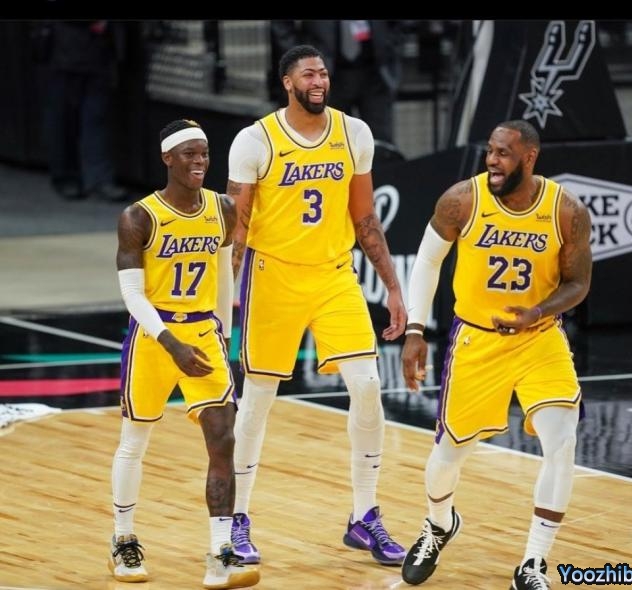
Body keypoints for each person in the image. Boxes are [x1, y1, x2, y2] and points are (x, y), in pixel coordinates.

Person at [226, 44, 408, 567]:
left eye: (324, 73)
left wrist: (393, 287)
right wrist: (223, 298)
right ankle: (236, 517)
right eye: (308, 74)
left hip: (334, 276)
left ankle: (364, 515)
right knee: (258, 400)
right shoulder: (254, 140)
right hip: (273, 277)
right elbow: (237, 226)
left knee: (368, 388)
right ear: (287, 82)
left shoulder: (355, 133)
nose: (319, 81)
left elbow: (365, 219)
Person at [400, 120, 592, 589]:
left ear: (529, 157)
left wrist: (538, 312)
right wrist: (415, 329)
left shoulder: (566, 211)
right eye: (490, 151)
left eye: (503, 153)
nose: (492, 160)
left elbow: (578, 283)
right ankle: (438, 524)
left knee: (562, 443)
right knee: (447, 456)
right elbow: (428, 261)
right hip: (477, 340)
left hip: (539, 338)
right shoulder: (462, 200)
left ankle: (533, 563)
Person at [109, 119, 259, 589]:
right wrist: (169, 341)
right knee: (135, 440)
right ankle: (123, 538)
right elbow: (132, 295)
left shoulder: (223, 208)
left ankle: (220, 553)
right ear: (167, 158)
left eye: (205, 154)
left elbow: (225, 276)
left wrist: (226, 338)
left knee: (223, 438)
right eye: (190, 154)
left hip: (203, 331)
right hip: (154, 337)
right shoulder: (139, 217)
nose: (200, 162)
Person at [269, 21, 404, 157]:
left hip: (375, 72)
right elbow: (281, 25)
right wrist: (299, 57)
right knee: (329, 148)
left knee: (380, 148)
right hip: (325, 74)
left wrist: (391, 43)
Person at [42, 21, 129, 201]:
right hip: (68, 50)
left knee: (94, 120)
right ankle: (73, 176)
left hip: (94, 52)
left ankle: (95, 179)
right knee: (66, 120)